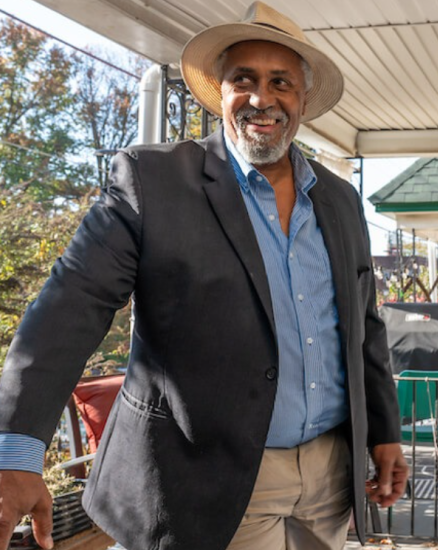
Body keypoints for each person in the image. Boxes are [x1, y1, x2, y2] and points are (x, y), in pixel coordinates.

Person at [0, 3, 408, 550]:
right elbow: (72, 303)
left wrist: (383, 434)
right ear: (221, 91)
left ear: (303, 100)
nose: (262, 98)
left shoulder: (339, 198)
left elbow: (363, 326)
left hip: (329, 482)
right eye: (245, 79)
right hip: (206, 482)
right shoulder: (153, 180)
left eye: (280, 82)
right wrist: (16, 450)